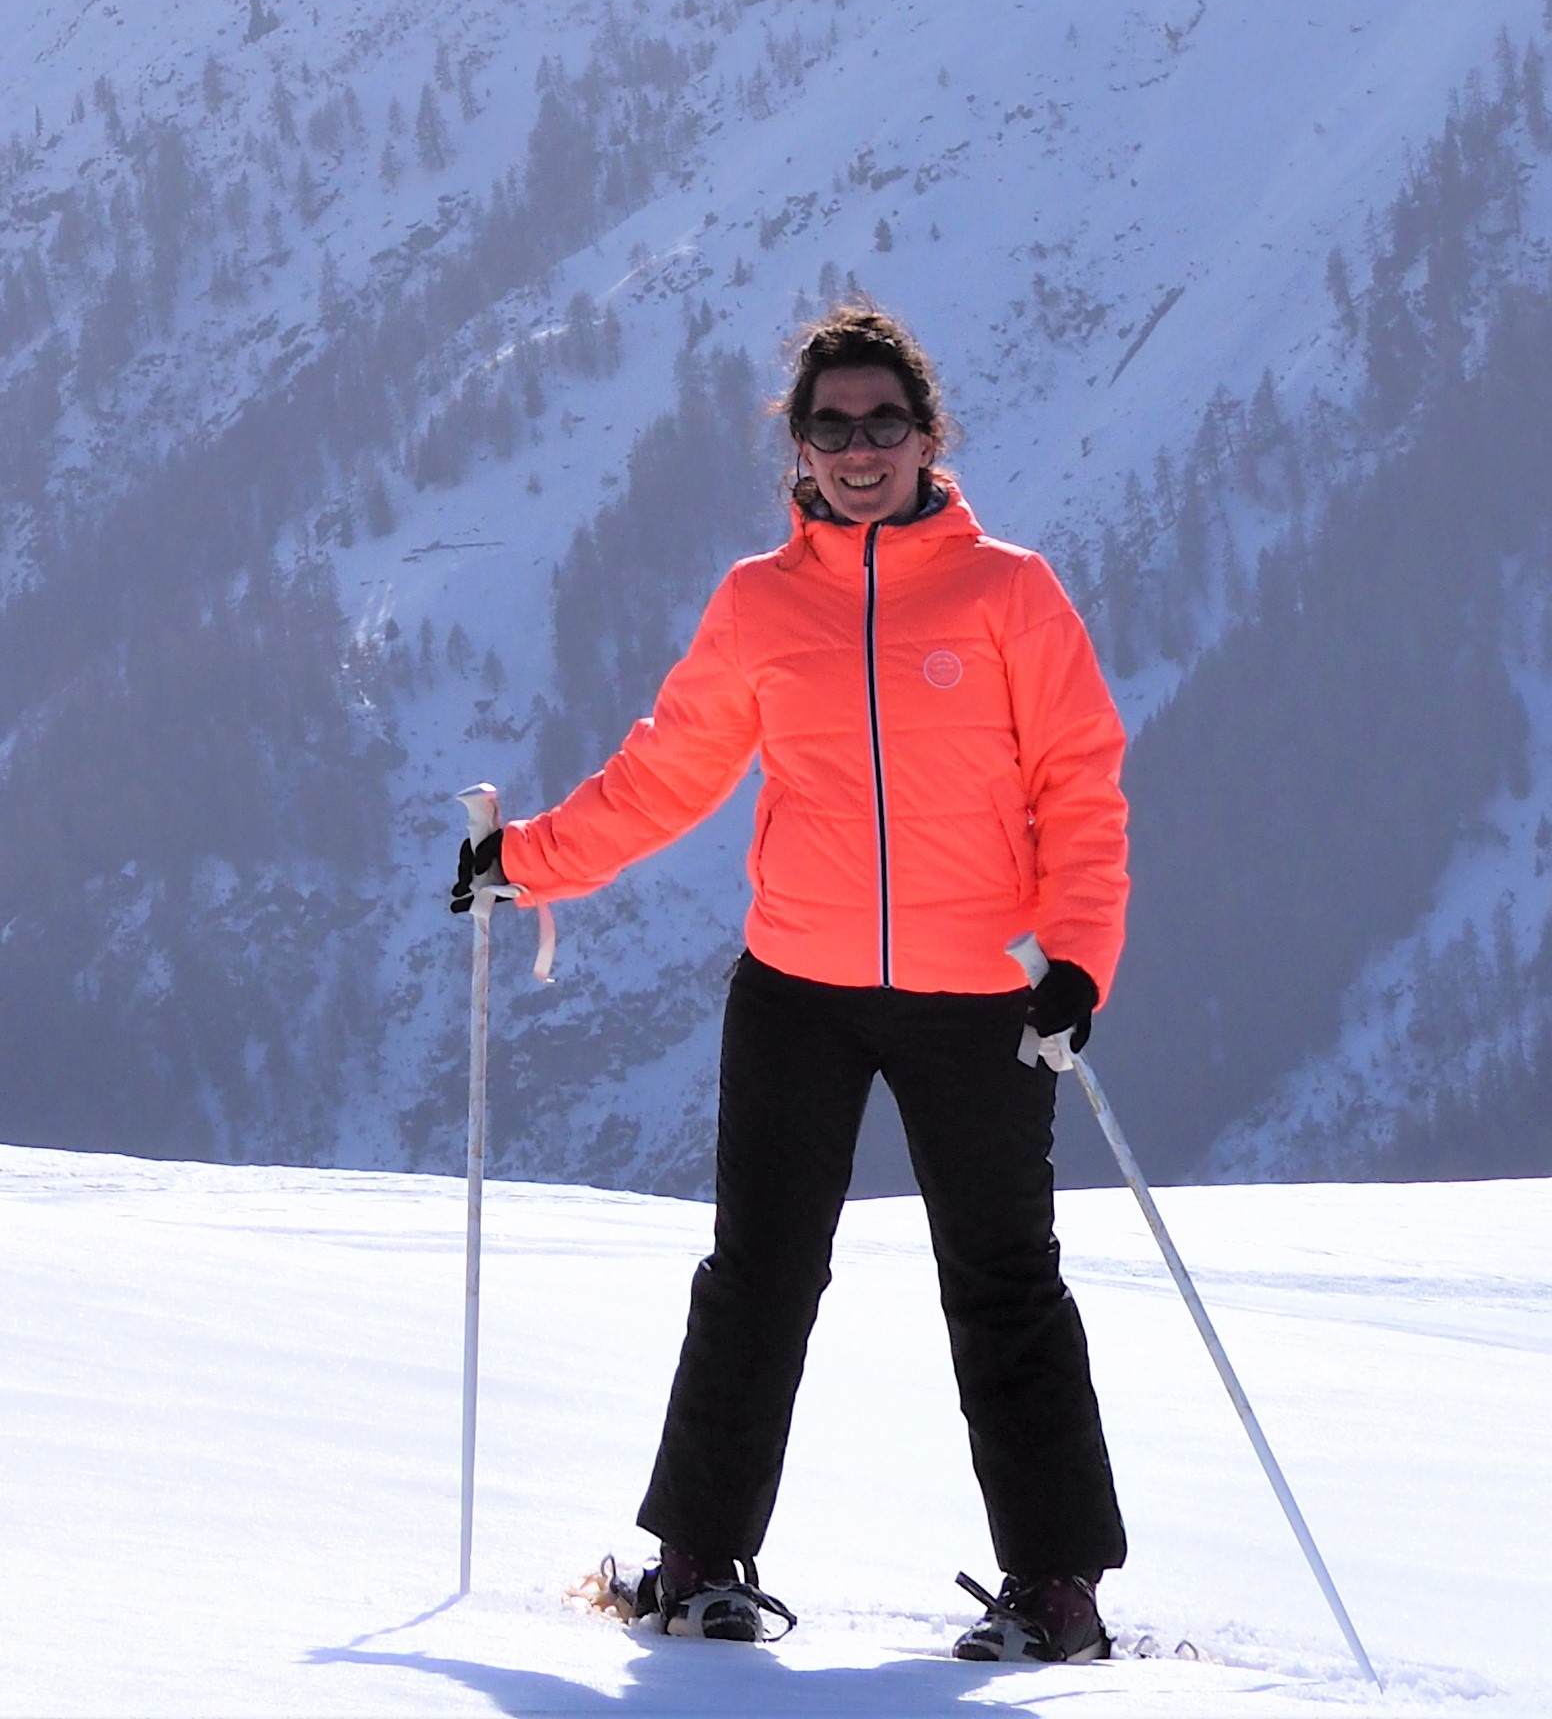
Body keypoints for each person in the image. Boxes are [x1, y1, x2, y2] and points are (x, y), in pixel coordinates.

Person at [450, 301, 1131, 1662]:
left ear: (929, 436)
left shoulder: (1010, 591)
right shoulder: (762, 607)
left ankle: (1055, 1589)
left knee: (1004, 1280)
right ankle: (699, 1565)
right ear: (801, 450)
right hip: (798, 991)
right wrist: (529, 861)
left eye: (885, 422)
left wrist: (1076, 963)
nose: (860, 447)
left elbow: (1081, 785)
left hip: (981, 995)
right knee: (760, 1275)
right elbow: (670, 770)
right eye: (833, 427)